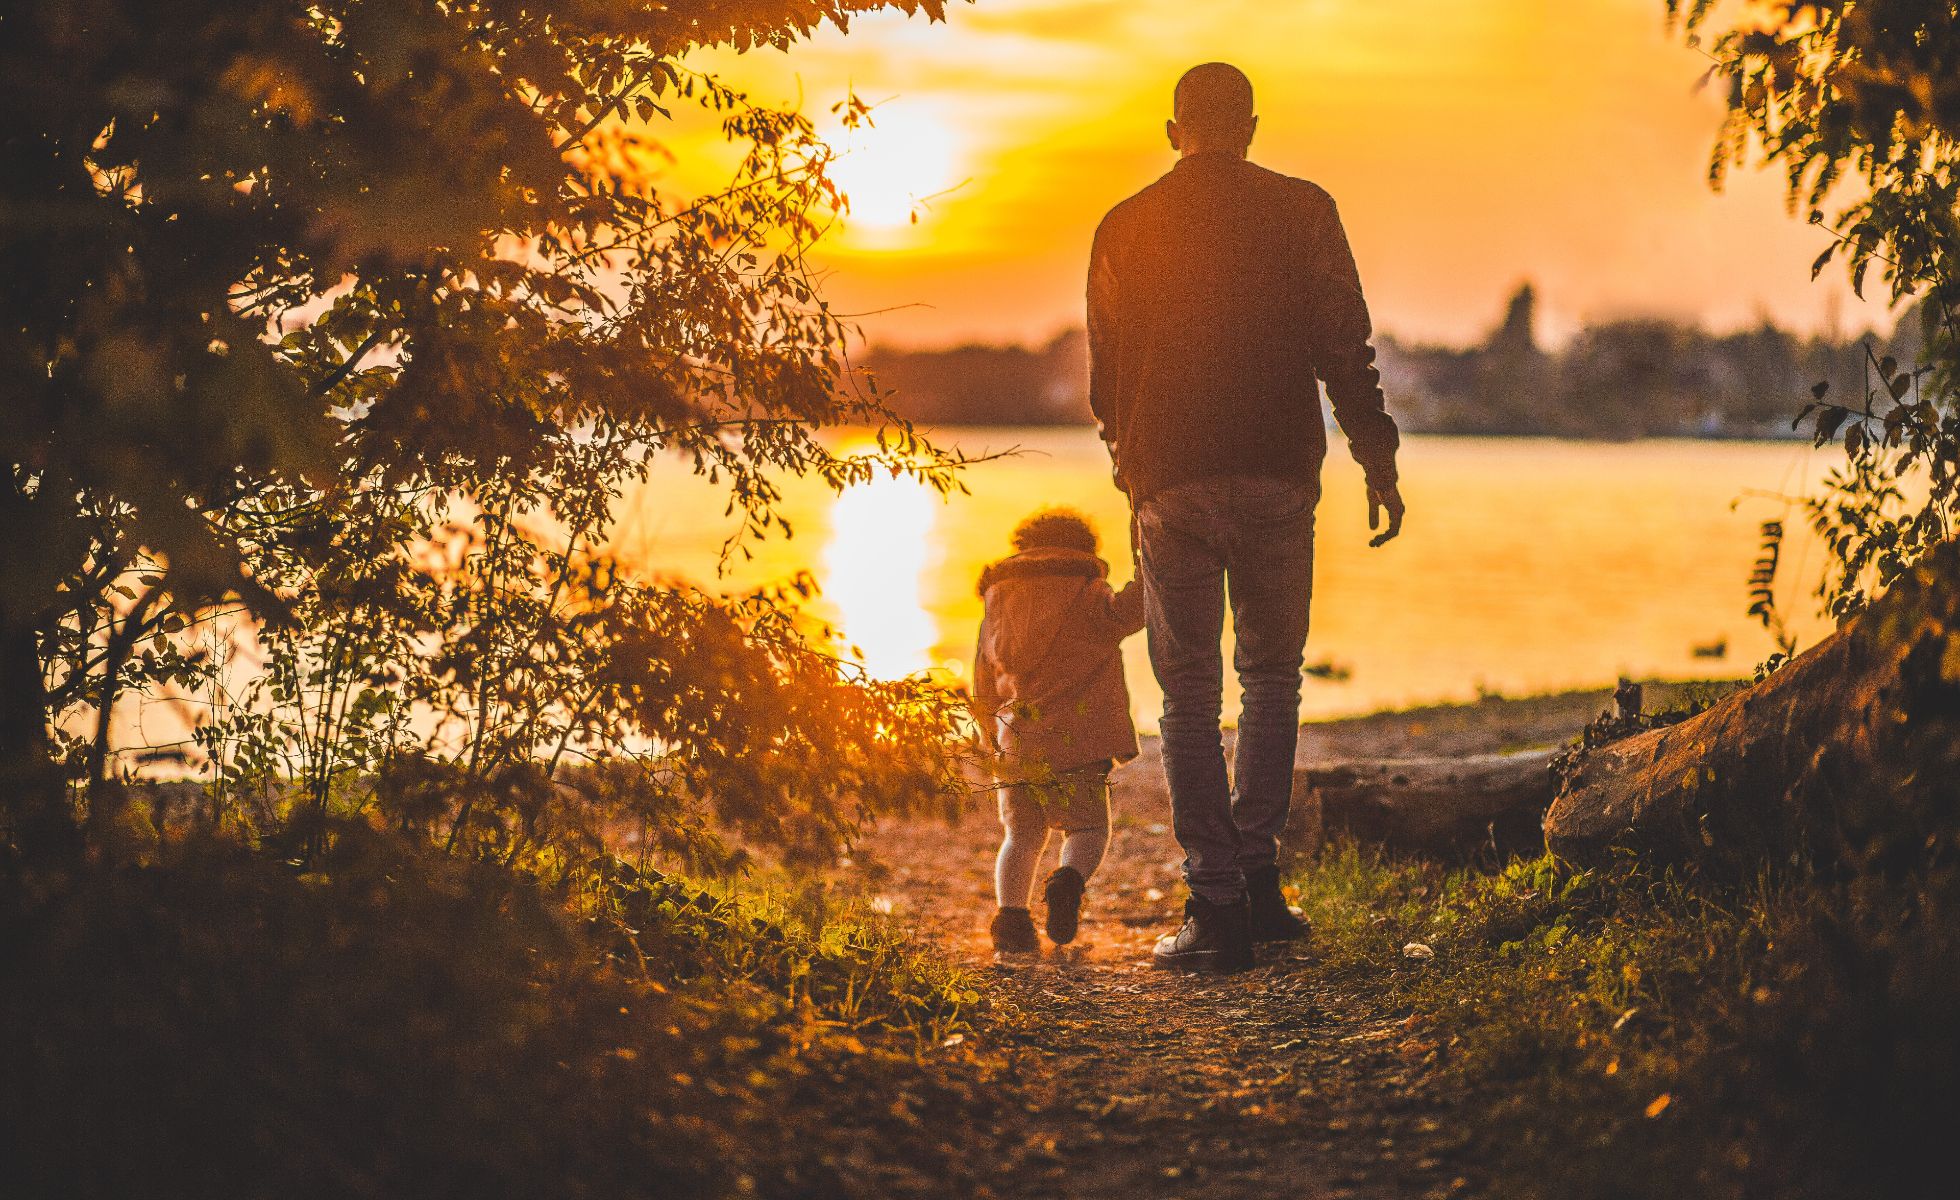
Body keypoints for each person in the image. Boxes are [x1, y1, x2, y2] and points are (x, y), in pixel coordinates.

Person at [1087, 62, 1406, 973]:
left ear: (1172, 129)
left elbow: (1107, 372)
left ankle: (1216, 902)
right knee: (1272, 678)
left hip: (1172, 480)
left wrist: (1128, 466)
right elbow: (1345, 343)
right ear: (1253, 127)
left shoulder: (1125, 223)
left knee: (1188, 695)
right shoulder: (1305, 210)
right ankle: (1259, 884)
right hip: (1276, 470)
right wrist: (1374, 455)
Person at [972, 508, 1146, 958]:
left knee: (1021, 837)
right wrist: (1148, 560)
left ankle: (1011, 921)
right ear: (1082, 551)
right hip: (1080, 740)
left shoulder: (998, 600)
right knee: (1087, 827)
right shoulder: (1089, 592)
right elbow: (1134, 611)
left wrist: (989, 735)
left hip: (1016, 740)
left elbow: (981, 678)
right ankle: (1068, 882)